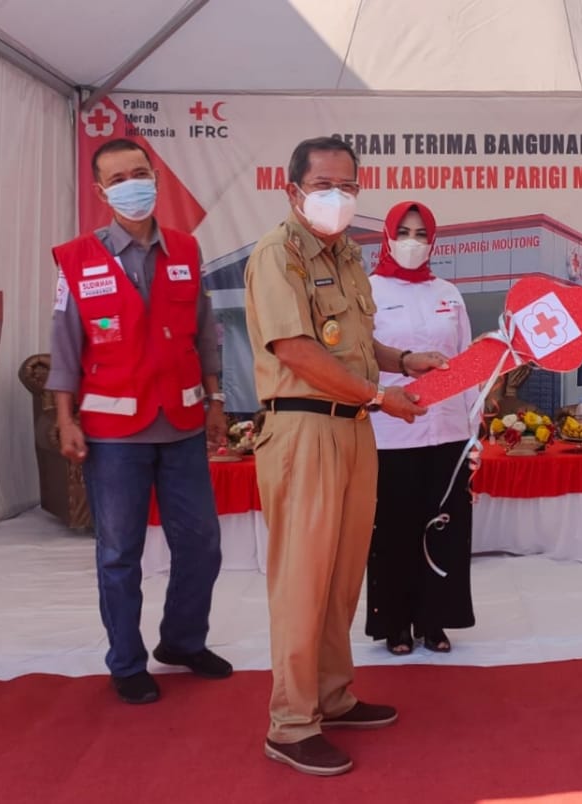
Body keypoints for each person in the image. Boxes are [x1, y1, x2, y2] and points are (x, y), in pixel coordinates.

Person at [243, 137, 449, 777]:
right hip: (304, 429)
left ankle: (331, 695)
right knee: (303, 580)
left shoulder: (346, 255)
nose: (338, 197)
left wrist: (403, 363)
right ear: (293, 190)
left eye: (348, 186)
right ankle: (291, 723)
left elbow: (356, 343)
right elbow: (297, 351)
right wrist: (381, 396)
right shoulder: (279, 256)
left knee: (340, 575)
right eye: (325, 185)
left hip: (354, 426)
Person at [47, 138, 231, 705]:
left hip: (181, 422)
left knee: (201, 545)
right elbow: (64, 343)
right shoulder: (77, 258)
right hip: (112, 433)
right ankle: (126, 661)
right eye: (119, 177)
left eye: (141, 172)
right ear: (101, 192)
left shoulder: (186, 250)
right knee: (119, 552)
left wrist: (218, 399)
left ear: (156, 177)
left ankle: (181, 641)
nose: (134, 183)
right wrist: (65, 417)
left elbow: (205, 331)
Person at [364, 201, 477, 655]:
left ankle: (436, 620)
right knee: (394, 529)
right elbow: (364, 360)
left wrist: (475, 428)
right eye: (404, 233)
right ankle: (394, 623)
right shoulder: (367, 291)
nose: (413, 243)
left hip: (449, 432)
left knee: (445, 527)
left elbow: (467, 361)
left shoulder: (449, 292)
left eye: (421, 234)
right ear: (388, 237)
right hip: (391, 432)